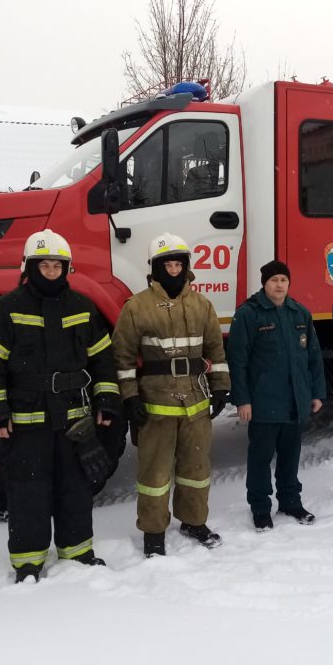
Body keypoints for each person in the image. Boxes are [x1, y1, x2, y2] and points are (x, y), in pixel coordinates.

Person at [0, 230, 123, 583]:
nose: (52, 270)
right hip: (26, 423)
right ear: (29, 266)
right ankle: (28, 561)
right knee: (28, 491)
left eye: (58, 264)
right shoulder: (7, 308)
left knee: (76, 488)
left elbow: (104, 360)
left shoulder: (82, 307)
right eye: (45, 264)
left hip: (74, 421)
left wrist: (106, 400)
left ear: (67, 268)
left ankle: (77, 551)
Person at [113, 232, 231, 557]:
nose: (174, 268)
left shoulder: (201, 305)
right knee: (155, 473)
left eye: (179, 262)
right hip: (156, 403)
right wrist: (129, 397)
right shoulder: (136, 307)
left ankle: (194, 521)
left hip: (196, 401)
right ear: (155, 267)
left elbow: (215, 350)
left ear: (186, 265)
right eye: (168, 263)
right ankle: (153, 532)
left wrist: (220, 387)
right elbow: (121, 358)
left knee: (196, 469)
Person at [227, 260, 326, 530]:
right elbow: (238, 360)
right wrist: (242, 400)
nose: (279, 285)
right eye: (274, 280)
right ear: (264, 284)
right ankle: (260, 508)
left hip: (296, 401)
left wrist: (316, 393)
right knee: (260, 457)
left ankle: (291, 501)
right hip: (263, 402)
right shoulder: (249, 314)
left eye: (283, 280)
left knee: (290, 455)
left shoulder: (300, 313)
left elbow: (313, 358)